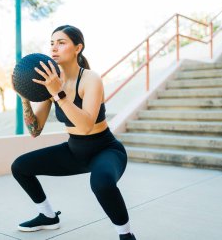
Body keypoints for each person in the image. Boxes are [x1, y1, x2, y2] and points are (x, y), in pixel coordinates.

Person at [11, 25, 136, 240]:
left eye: (61, 42)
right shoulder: (50, 83)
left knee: (101, 184)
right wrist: (24, 95)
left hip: (105, 149)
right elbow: (34, 130)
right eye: (52, 43)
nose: (54, 48)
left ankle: (126, 235)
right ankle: (48, 216)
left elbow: (86, 124)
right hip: (74, 150)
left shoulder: (90, 79)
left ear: (78, 48)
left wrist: (58, 93)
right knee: (20, 167)